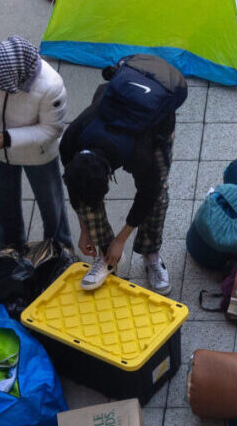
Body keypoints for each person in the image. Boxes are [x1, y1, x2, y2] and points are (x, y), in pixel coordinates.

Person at [0, 38, 71, 251]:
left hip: (38, 155)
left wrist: (9, 139)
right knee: (0, 202)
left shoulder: (51, 86)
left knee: (51, 204)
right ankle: (11, 247)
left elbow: (51, 129)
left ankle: (59, 248)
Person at [61, 92, 175, 294]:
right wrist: (85, 230)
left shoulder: (142, 153)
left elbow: (148, 194)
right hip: (110, 112)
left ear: (108, 177)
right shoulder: (70, 143)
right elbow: (76, 191)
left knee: (157, 197)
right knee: (86, 194)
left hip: (155, 122)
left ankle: (151, 254)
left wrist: (121, 239)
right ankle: (108, 257)